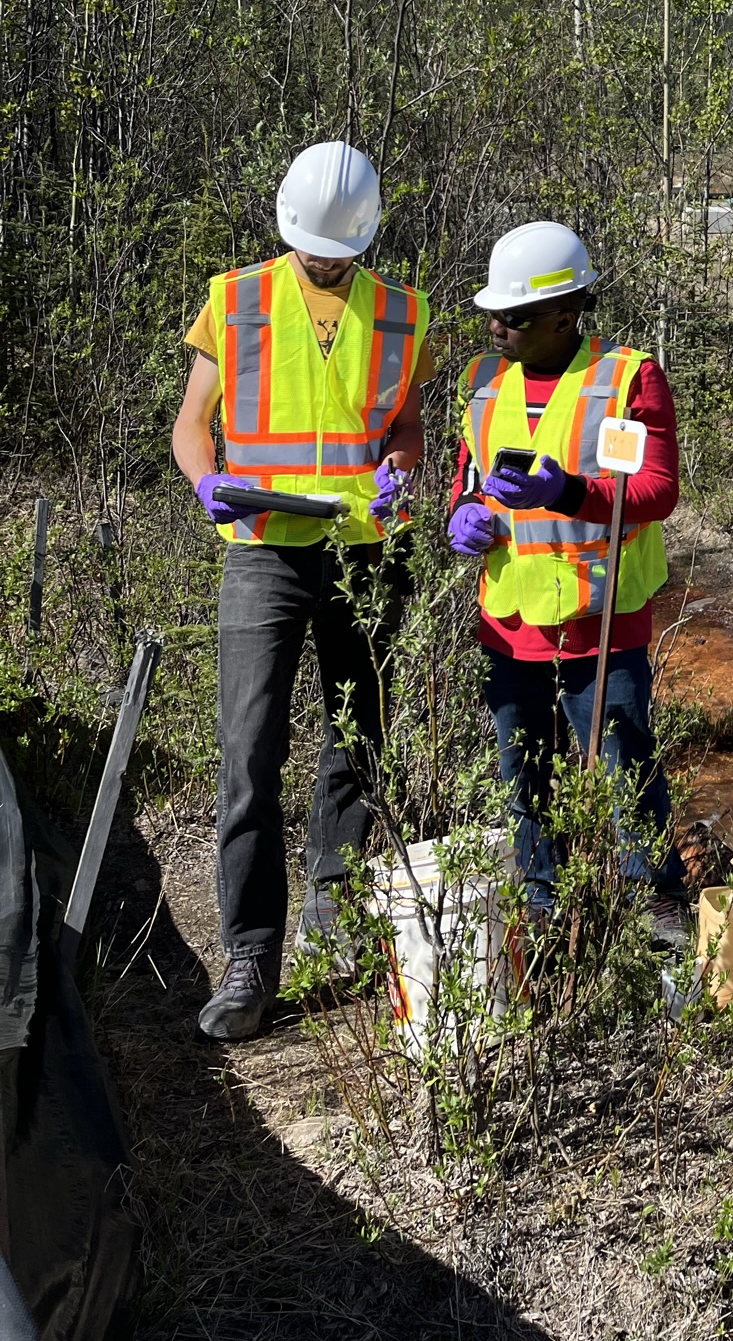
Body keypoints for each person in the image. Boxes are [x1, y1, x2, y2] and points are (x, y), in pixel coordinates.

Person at [171, 142, 434, 1041]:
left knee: (357, 740)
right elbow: (191, 426)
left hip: (365, 550)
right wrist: (208, 482)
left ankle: (336, 910)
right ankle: (250, 954)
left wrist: (402, 471)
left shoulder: (402, 313)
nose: (324, 261)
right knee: (248, 750)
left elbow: (405, 425)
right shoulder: (235, 299)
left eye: (339, 250)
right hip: (262, 549)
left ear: (364, 240)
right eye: (313, 247)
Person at [446, 221, 687, 942]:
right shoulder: (483, 381)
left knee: (625, 773)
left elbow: (658, 491)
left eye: (513, 316)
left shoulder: (626, 376)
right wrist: (463, 515)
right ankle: (546, 913)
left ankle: (657, 908)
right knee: (524, 782)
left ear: (565, 313)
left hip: (600, 622)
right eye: (492, 312)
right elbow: (468, 478)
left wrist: (570, 493)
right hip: (511, 620)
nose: (496, 326)